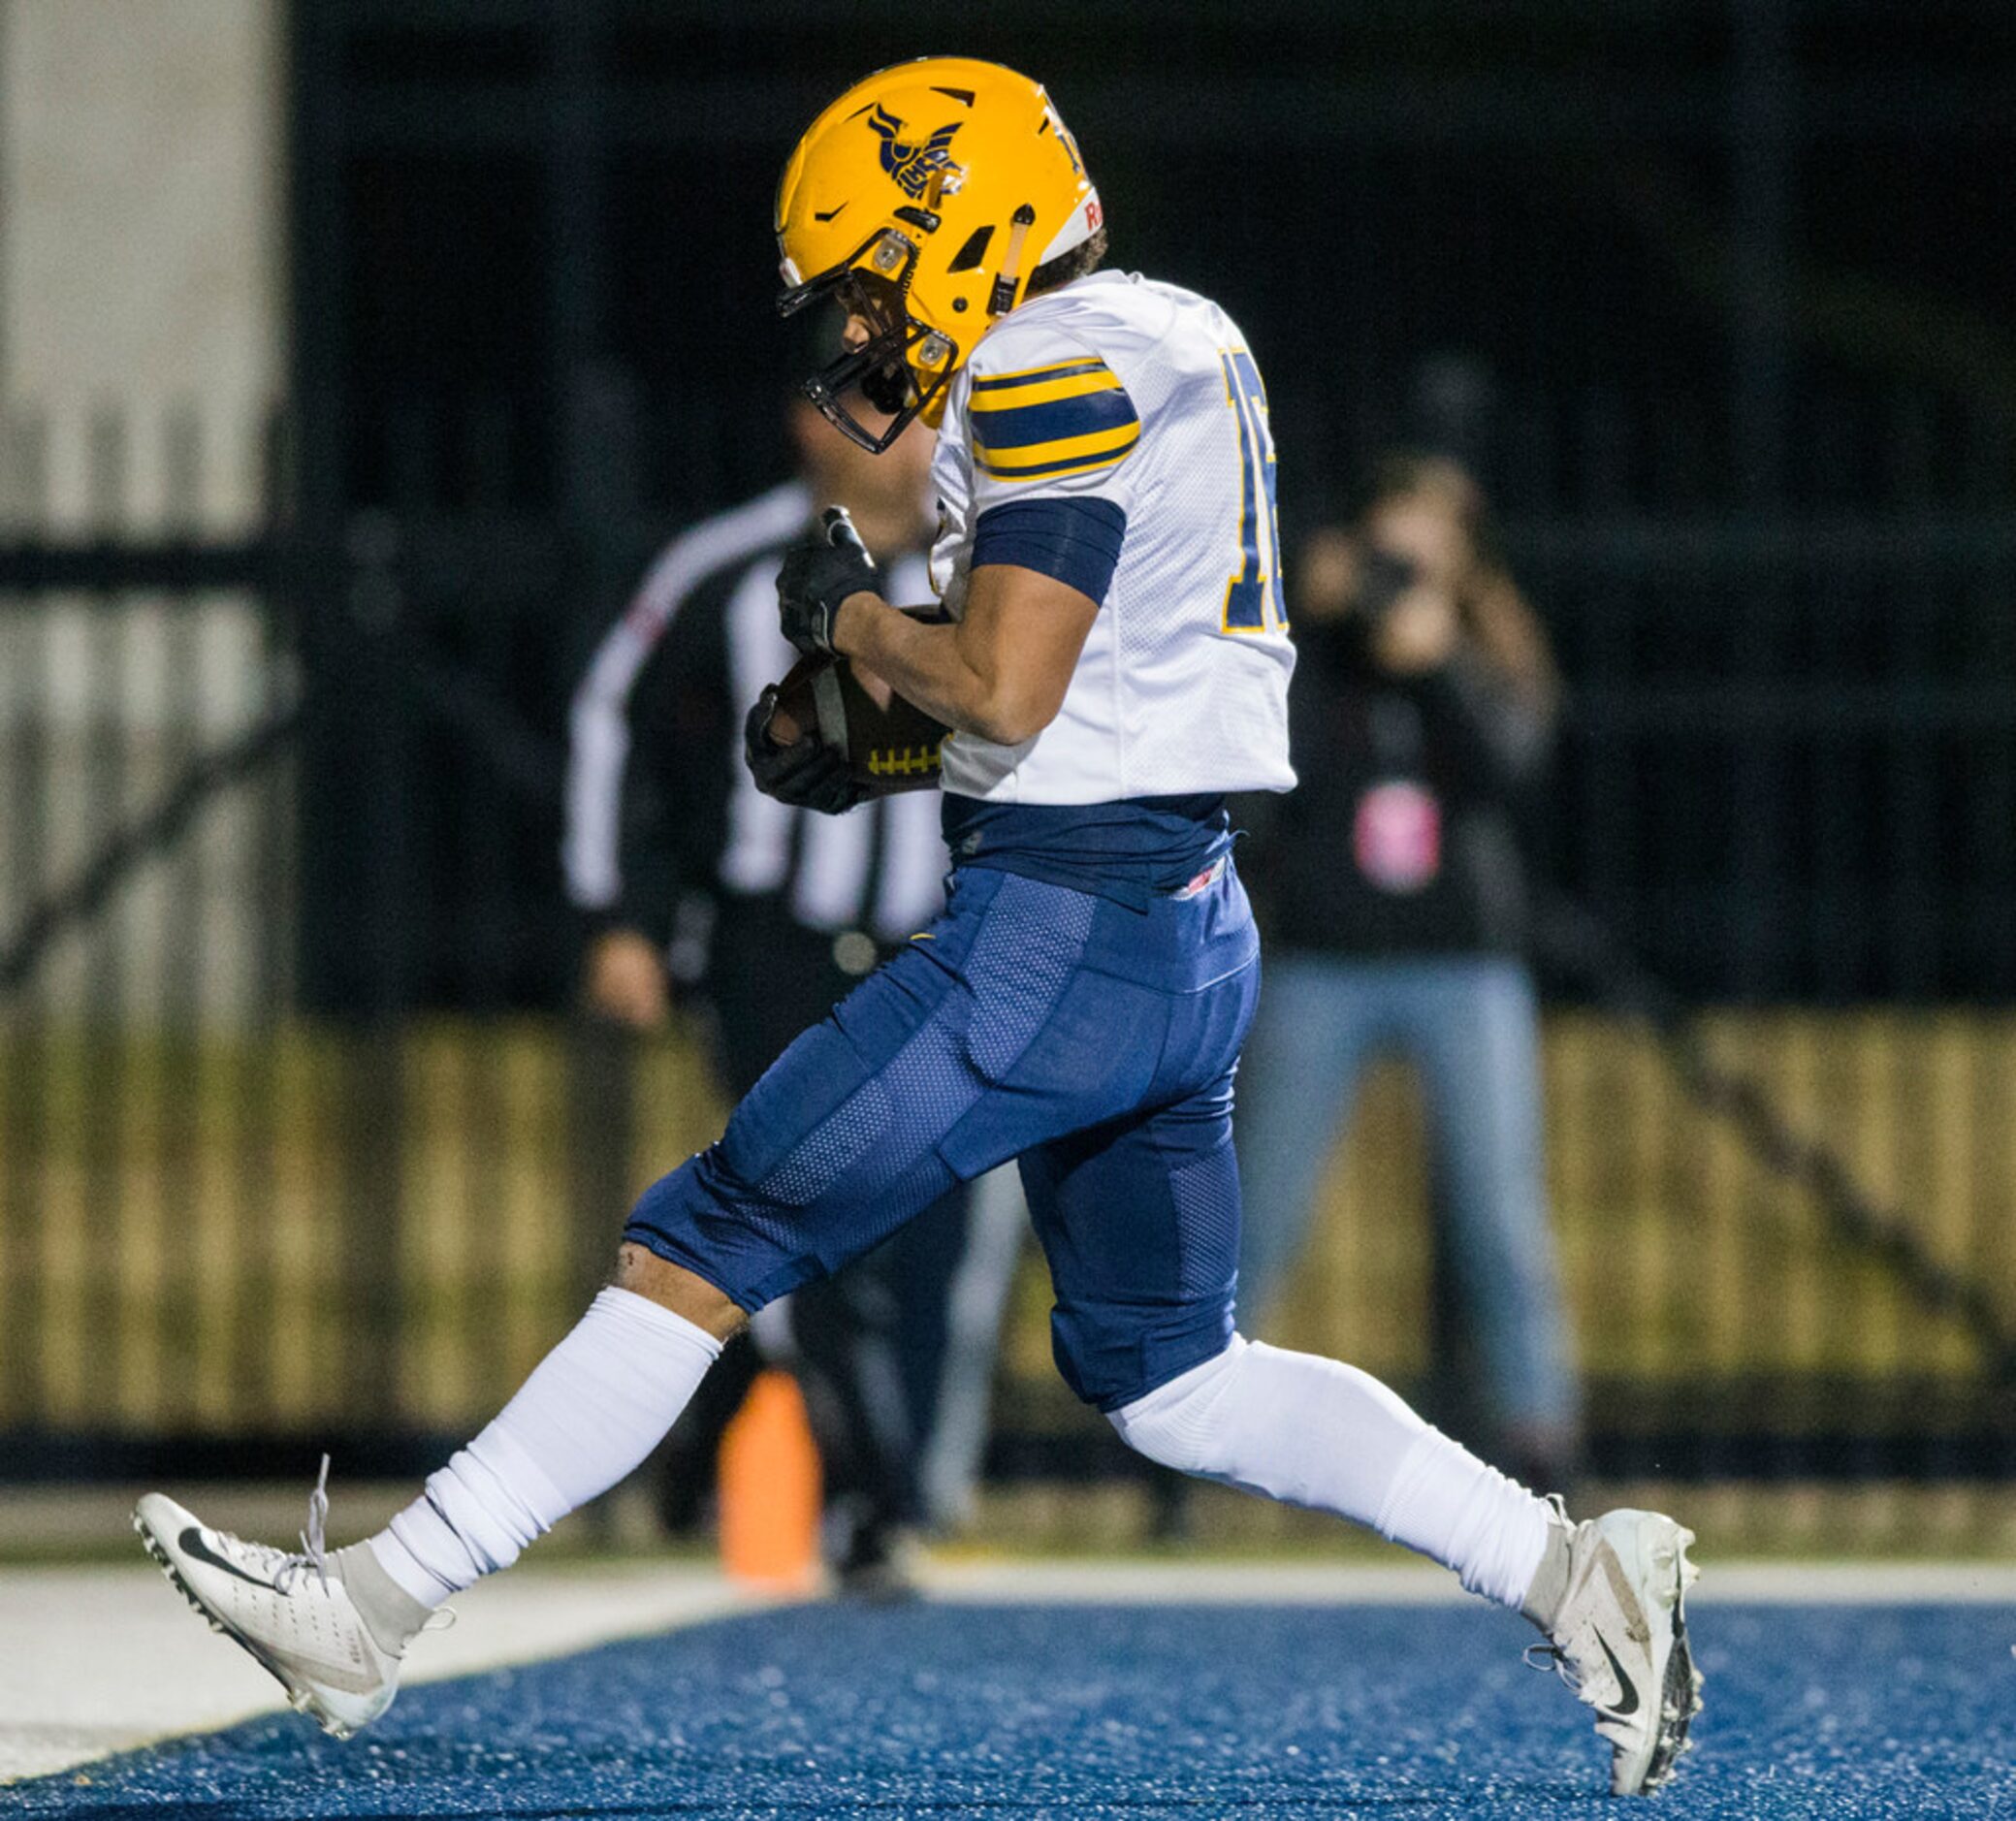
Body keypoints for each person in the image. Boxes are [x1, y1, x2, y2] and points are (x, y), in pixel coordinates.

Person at [134, 58, 1701, 1797]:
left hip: (1060, 925)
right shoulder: (1182, 333)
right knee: (1172, 1374)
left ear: (953, 234)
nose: (861, 332)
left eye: (871, 282)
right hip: (1183, 916)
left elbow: (1012, 688)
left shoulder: (1043, 359)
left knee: (705, 1232)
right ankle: (1573, 1570)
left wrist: (873, 636)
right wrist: (875, 721)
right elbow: (1100, 669)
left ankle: (373, 1599)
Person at [560, 380, 986, 1589]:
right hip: (773, 948)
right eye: (888, 411)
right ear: (813, 423)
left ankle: (707, 1449)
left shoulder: (990, 571)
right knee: (803, 1212)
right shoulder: (731, 565)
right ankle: (877, 1501)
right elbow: (612, 721)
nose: (915, 438)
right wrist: (619, 918)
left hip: (933, 950)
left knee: (922, 1234)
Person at [1234, 453, 1582, 1490]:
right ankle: (1192, 1426)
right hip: (1324, 962)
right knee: (1264, 1204)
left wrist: (1436, 665)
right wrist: (1314, 621)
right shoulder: (1318, 654)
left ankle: (1541, 1437)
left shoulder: (1482, 651)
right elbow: (1265, 778)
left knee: (1500, 1212)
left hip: (1462, 964)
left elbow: (1513, 775)